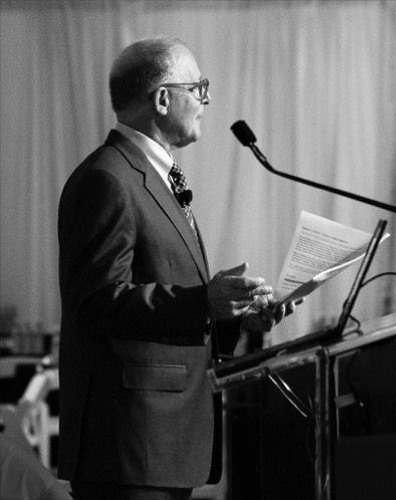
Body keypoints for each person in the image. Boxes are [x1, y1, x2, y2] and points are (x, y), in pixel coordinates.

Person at [57, 38, 293, 500]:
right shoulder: (108, 179)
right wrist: (203, 301)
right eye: (198, 87)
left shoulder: (153, 176)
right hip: (130, 446)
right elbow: (96, 303)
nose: (207, 99)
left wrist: (233, 314)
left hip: (163, 443)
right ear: (162, 99)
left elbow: (167, 296)